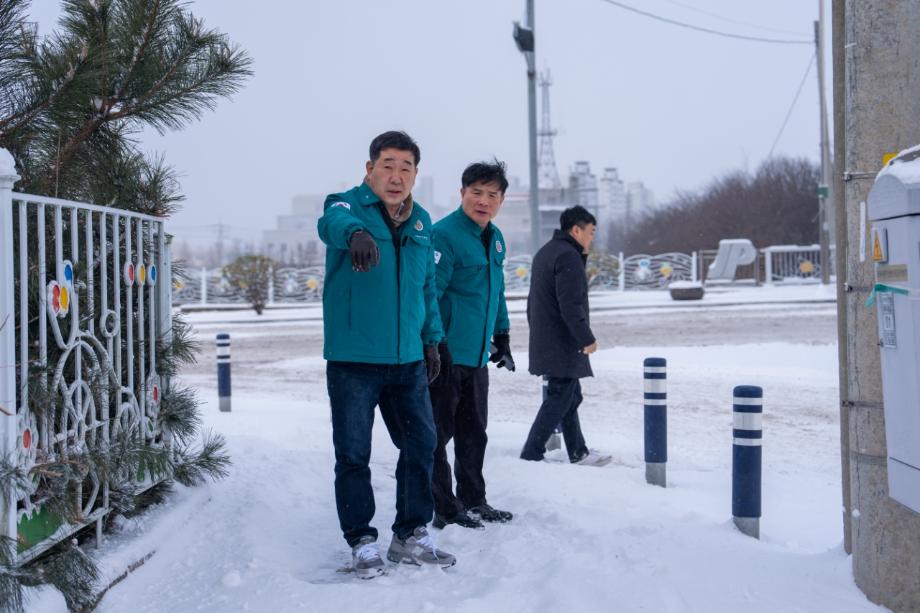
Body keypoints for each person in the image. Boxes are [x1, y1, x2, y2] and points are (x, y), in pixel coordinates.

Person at [317, 130, 455, 579]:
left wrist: (432, 338)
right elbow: (330, 222)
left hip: (407, 360)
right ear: (370, 168)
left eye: (406, 168)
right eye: (388, 165)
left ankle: (410, 534)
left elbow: (427, 287)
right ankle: (361, 541)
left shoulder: (421, 223)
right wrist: (356, 231)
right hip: (354, 361)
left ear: (416, 173)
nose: (396, 176)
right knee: (354, 453)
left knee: (422, 445)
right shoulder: (345, 206)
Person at [429, 161, 515, 531]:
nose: (483, 200)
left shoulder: (494, 238)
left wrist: (503, 336)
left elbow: (497, 292)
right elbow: (429, 294)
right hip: (446, 354)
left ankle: (473, 499)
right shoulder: (444, 235)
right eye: (476, 192)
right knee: (438, 435)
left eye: (491, 195)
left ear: (501, 200)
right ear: (462, 193)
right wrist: (436, 344)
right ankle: (444, 507)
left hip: (477, 355)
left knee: (473, 432)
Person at [520, 206, 612, 466]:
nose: (592, 238)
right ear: (576, 230)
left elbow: (533, 302)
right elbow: (570, 305)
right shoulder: (568, 256)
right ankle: (532, 452)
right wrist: (586, 338)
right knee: (560, 396)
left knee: (569, 395)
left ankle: (578, 451)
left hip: (548, 337)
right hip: (562, 340)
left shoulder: (546, 253)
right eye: (591, 232)